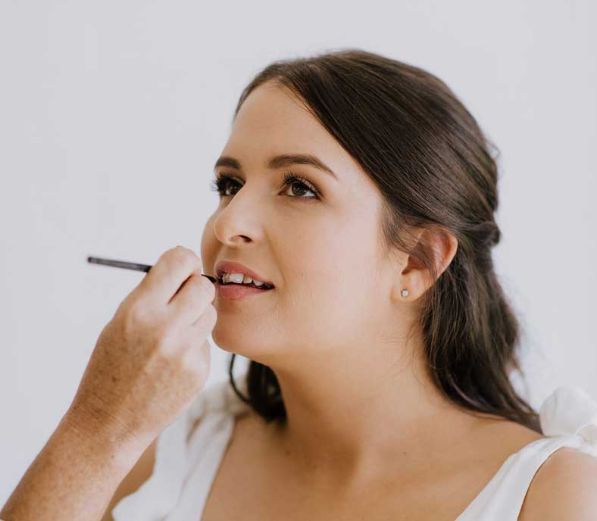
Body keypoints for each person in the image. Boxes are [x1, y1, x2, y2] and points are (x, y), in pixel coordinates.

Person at [3, 49, 596, 521]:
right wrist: (96, 433)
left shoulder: (551, 497)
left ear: (415, 261)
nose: (227, 224)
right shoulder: (171, 460)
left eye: (300, 188)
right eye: (229, 184)